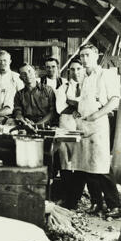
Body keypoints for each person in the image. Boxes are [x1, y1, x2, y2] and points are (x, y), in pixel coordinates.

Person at [71, 43, 121, 218]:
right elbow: (85, 100)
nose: (85, 59)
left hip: (98, 125)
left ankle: (115, 205)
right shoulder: (85, 77)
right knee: (87, 166)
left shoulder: (106, 74)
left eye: (88, 55)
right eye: (82, 56)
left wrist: (96, 115)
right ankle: (96, 203)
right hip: (84, 125)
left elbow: (114, 100)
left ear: (96, 56)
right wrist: (79, 111)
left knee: (101, 166)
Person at [54, 58, 87, 209]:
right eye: (72, 69)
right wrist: (78, 107)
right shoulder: (62, 89)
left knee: (80, 163)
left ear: (83, 69)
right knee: (66, 163)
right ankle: (67, 198)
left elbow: (90, 106)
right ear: (69, 71)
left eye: (79, 68)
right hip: (66, 126)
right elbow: (60, 108)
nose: (76, 72)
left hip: (81, 127)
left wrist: (72, 103)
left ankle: (75, 199)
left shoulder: (88, 87)